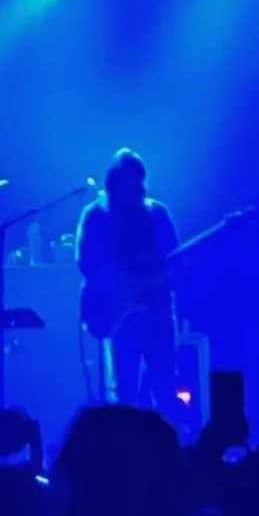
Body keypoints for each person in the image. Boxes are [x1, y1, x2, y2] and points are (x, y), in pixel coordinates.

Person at [76, 149, 179, 408]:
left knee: (164, 388)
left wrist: (157, 274)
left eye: (135, 184)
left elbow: (175, 262)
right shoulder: (96, 216)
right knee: (124, 394)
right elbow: (86, 262)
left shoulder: (157, 214)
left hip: (157, 309)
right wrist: (121, 276)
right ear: (112, 186)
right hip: (121, 314)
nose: (131, 192)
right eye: (124, 186)